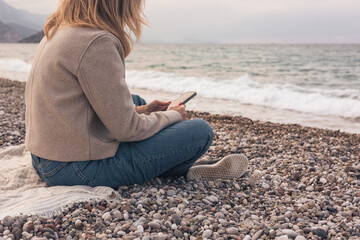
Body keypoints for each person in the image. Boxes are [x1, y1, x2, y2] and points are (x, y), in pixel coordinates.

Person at [25, 0, 248, 188]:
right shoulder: (95, 40)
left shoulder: (57, 31)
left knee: (137, 102)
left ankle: (178, 162)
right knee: (199, 131)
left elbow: (83, 106)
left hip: (44, 157)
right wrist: (174, 115)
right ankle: (182, 167)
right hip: (73, 169)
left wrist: (145, 111)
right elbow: (127, 130)